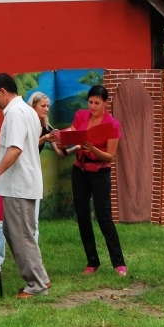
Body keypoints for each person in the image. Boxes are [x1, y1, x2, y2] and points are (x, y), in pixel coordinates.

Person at [0, 73, 50, 298]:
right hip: (24, 182)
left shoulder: (15, 113)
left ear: (3, 92)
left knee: (20, 234)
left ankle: (36, 284)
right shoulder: (28, 111)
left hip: (19, 184)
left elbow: (15, 149)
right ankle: (40, 278)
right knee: (17, 233)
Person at [0, 90, 61, 271]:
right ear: (33, 105)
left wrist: (69, 142)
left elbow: (59, 151)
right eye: (43, 105)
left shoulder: (43, 123)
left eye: (48, 106)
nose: (46, 109)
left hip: (30, 177)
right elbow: (20, 147)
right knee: (9, 223)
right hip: (18, 178)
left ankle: (34, 265)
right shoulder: (22, 116)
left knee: (31, 224)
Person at [65, 84, 127, 276]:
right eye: (90, 102)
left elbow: (110, 156)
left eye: (96, 103)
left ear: (105, 103)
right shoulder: (81, 116)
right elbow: (72, 132)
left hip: (100, 172)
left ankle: (119, 263)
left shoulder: (112, 124)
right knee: (82, 216)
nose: (92, 106)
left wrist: (92, 149)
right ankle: (92, 262)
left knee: (104, 217)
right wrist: (63, 136)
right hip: (80, 170)